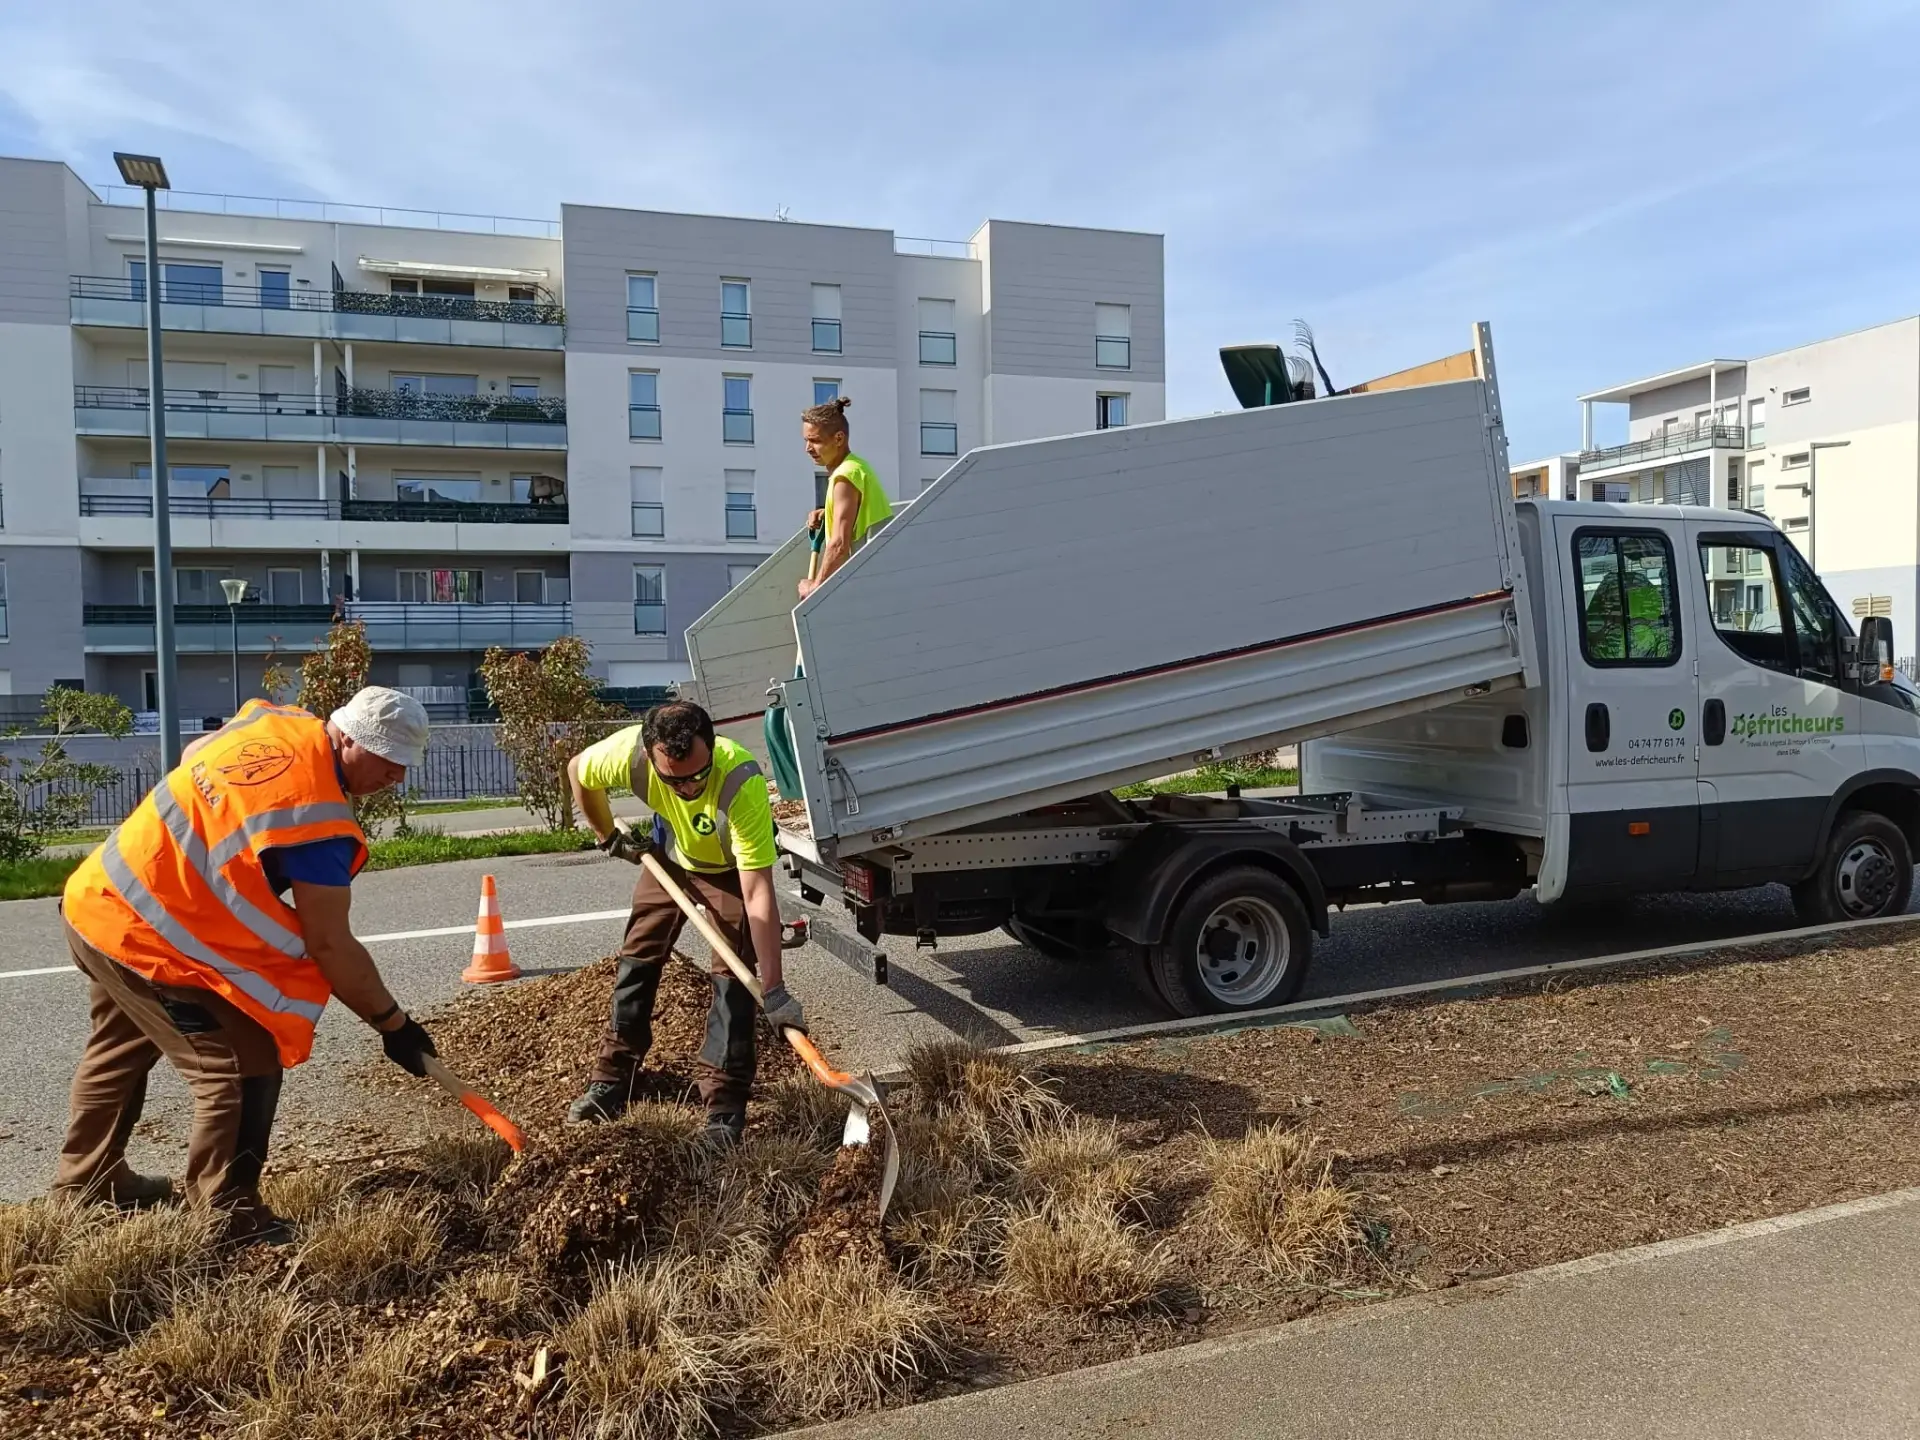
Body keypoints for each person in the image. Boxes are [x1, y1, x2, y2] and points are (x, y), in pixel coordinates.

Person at [54, 688, 437, 1242]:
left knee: (120, 1045)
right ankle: (226, 1215)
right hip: (148, 936)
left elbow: (194, 753)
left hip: (98, 900)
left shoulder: (277, 724)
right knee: (239, 1062)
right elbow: (330, 945)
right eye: (387, 760)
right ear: (348, 737)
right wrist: (393, 1025)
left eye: (405, 765)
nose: (396, 777)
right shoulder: (317, 823)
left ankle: (87, 1182)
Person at [565, 699, 800, 1143]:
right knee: (637, 959)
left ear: (712, 749)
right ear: (649, 753)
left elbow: (757, 893)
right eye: (674, 780)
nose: (689, 788)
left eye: (697, 775)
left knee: (732, 979)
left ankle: (725, 1105)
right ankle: (614, 1078)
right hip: (671, 858)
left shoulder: (740, 781)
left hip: (730, 872)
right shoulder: (627, 755)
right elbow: (579, 770)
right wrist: (607, 837)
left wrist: (775, 988)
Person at [799, 395, 893, 598]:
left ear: (839, 438)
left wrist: (815, 587)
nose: (808, 448)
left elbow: (839, 545)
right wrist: (829, 512)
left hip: (863, 588)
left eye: (815, 441)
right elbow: (861, 516)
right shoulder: (857, 467)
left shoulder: (845, 476)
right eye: (806, 440)